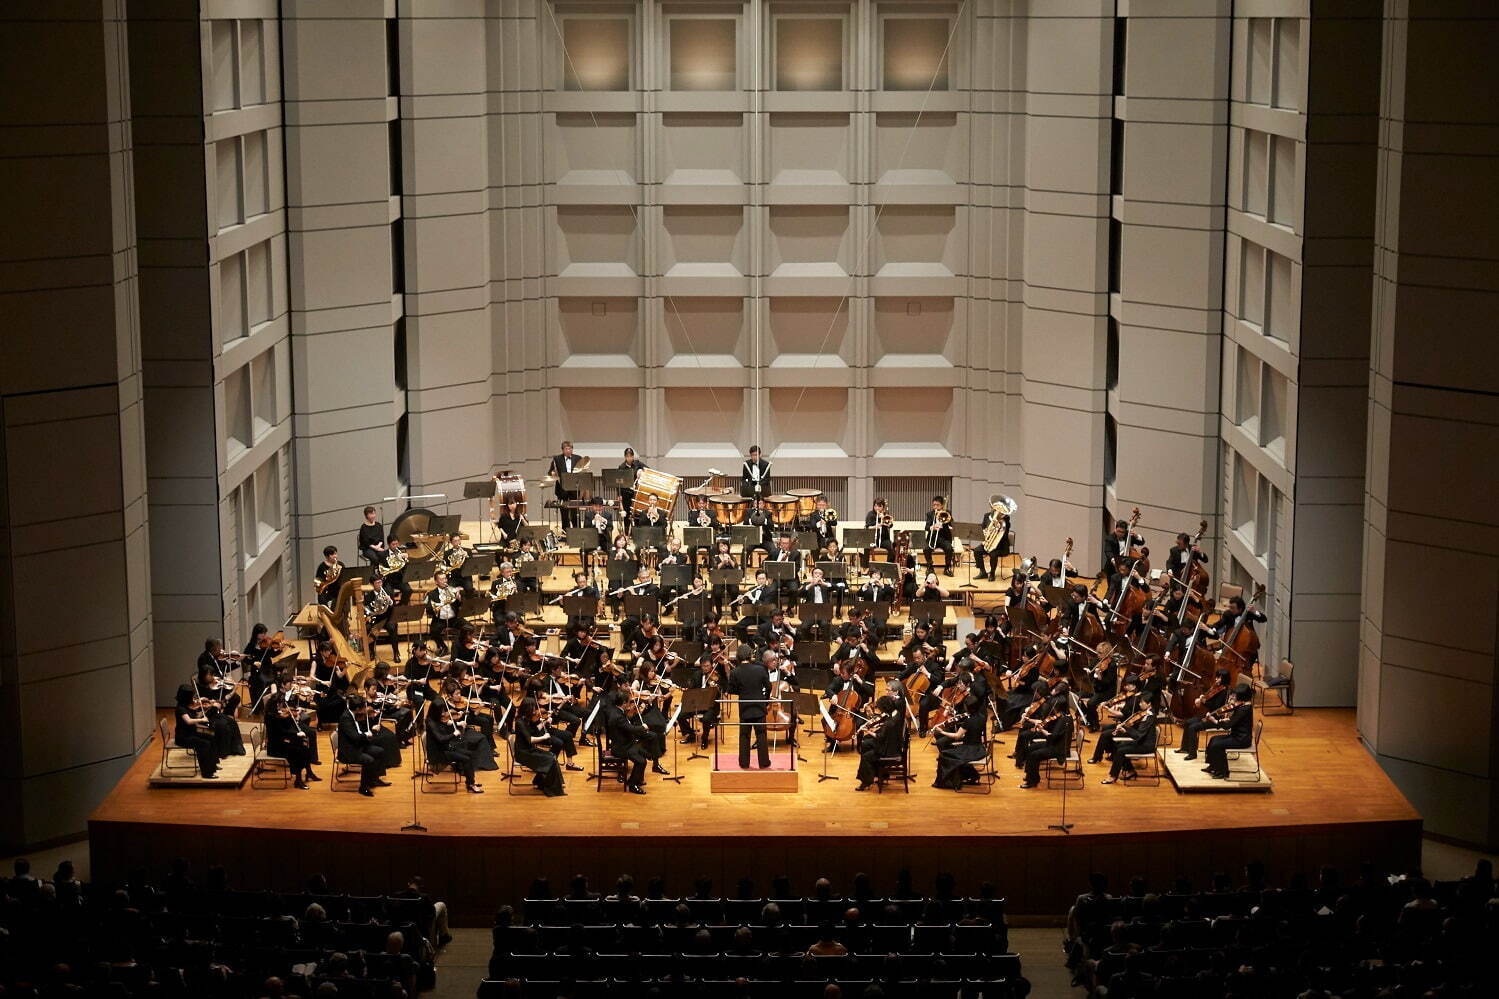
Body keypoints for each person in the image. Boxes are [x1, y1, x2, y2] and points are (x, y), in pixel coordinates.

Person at [336, 696, 390, 797]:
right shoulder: (346, 718)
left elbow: (359, 731)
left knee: (380, 751)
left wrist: (370, 728)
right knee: (369, 760)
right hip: (349, 751)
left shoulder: (353, 714)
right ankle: (363, 787)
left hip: (358, 746)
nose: (365, 709)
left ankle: (374, 779)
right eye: (363, 707)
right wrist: (368, 733)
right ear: (357, 709)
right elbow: (355, 737)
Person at [729, 650, 774, 769]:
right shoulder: (760, 669)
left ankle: (744, 763)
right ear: (750, 656)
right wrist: (765, 700)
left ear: (738, 657)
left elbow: (731, 690)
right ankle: (764, 762)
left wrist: (742, 691)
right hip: (759, 706)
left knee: (744, 736)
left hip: (744, 707)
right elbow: (769, 686)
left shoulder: (735, 672)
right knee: (761, 735)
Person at [932, 694, 988, 789]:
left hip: (970, 750)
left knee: (943, 755)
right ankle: (970, 775)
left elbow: (957, 736)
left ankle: (950, 782)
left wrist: (942, 732)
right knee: (950, 751)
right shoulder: (982, 717)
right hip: (979, 748)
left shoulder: (968, 721)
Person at [1101, 690, 1158, 784]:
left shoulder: (1149, 717)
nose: (1139, 704)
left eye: (1142, 702)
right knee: (1118, 745)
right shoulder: (1145, 713)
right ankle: (1130, 770)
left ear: (1149, 704)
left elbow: (1138, 735)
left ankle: (1112, 776)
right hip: (1141, 741)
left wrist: (1126, 730)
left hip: (1146, 745)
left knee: (1121, 750)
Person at [427, 703, 483, 793]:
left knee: (470, 754)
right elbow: (441, 739)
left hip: (445, 748)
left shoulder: (436, 719)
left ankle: (470, 780)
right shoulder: (431, 723)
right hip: (439, 753)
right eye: (441, 711)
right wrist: (454, 734)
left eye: (443, 711)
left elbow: (443, 726)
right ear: (435, 711)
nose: (443, 713)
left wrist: (456, 723)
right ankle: (471, 784)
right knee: (466, 759)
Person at [515, 698, 566, 796]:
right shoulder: (520, 722)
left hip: (530, 749)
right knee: (550, 759)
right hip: (523, 753)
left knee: (551, 755)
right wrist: (544, 737)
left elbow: (535, 732)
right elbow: (530, 739)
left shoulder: (527, 719)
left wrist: (542, 723)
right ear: (528, 709)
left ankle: (542, 782)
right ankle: (550, 786)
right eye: (534, 708)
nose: (535, 711)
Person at [855, 695, 905, 791]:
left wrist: (868, 731)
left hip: (889, 750)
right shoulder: (896, 714)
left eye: (880, 708)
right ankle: (878, 774)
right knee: (865, 744)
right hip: (892, 743)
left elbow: (880, 737)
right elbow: (885, 733)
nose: (879, 710)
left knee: (866, 756)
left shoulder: (889, 723)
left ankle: (866, 781)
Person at [1203, 686, 1254, 779]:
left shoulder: (1243, 709)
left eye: (1236, 696)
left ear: (1242, 696)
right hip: (1237, 735)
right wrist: (1227, 717)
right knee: (1213, 739)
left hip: (1241, 740)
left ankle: (1223, 772)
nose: (1234, 697)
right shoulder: (1244, 705)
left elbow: (1228, 726)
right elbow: (1234, 719)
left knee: (1217, 745)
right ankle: (1213, 766)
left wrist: (1215, 721)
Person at [606, 691, 651, 795]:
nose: (630, 704)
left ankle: (634, 780)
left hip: (623, 743)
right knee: (641, 761)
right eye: (628, 702)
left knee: (643, 754)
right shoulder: (618, 716)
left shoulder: (616, 711)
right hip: (621, 748)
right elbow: (630, 728)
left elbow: (627, 725)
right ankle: (632, 785)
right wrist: (643, 727)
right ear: (623, 703)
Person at [267, 697, 317, 788]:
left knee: (304, 748)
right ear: (274, 705)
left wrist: (295, 717)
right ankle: (298, 780)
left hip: (281, 741)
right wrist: (296, 734)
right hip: (275, 747)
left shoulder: (277, 715)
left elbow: (287, 727)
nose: (281, 708)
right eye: (279, 705)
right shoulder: (271, 717)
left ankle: (308, 773)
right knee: (298, 750)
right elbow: (282, 732)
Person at [424, 569, 465, 653]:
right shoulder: (431, 594)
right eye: (441, 579)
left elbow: (460, 606)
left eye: (445, 578)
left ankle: (460, 645)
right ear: (436, 582)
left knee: (468, 627)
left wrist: (459, 599)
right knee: (433, 631)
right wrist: (438, 606)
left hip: (454, 619)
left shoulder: (452, 590)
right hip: (440, 620)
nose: (445, 581)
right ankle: (443, 647)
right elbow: (428, 611)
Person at [364, 574, 398, 659]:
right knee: (368, 628)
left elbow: (394, 607)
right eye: (377, 583)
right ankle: (371, 651)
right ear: (372, 584)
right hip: (376, 619)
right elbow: (367, 610)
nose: (380, 584)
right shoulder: (368, 596)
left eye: (380, 582)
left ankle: (396, 653)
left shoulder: (388, 592)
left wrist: (390, 601)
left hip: (387, 618)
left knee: (392, 628)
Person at [550, 440, 582, 530]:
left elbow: (582, 471)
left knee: (575, 511)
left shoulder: (578, 458)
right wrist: (552, 473)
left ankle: (577, 530)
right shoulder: (557, 459)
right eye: (566, 449)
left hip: (574, 488)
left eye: (570, 448)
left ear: (572, 449)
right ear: (562, 450)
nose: (568, 450)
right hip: (562, 488)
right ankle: (565, 531)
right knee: (564, 512)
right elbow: (551, 471)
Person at [975, 500, 1010, 580]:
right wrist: (985, 532)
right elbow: (983, 527)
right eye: (995, 507)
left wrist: (997, 527)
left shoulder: (1006, 518)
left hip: (1000, 546)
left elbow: (1005, 534)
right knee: (977, 551)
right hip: (989, 543)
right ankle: (982, 572)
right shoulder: (987, 516)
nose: (996, 509)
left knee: (993, 554)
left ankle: (992, 573)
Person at [922, 496, 955, 576]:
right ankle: (930, 567)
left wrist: (947, 519)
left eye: (937, 505)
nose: (935, 507)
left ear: (942, 505)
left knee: (949, 549)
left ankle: (947, 568)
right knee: (926, 549)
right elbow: (926, 527)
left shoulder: (947, 513)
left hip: (944, 538)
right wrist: (932, 527)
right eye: (934, 505)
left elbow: (951, 524)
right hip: (933, 538)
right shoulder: (930, 514)